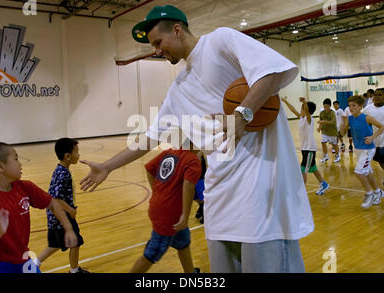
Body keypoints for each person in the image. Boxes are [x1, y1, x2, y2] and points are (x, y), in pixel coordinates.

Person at [81, 5, 314, 273]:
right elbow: (149, 138)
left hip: (260, 195)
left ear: (177, 30)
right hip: (220, 200)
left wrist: (242, 115)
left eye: (158, 42)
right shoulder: (179, 88)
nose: (156, 50)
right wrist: (108, 166)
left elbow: (273, 70)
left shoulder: (221, 41)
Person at [0, 142, 77, 273]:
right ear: (0, 166)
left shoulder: (25, 187)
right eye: (15, 159)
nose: (20, 163)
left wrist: (69, 228)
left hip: (23, 258)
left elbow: (52, 203)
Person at [129, 146, 201, 273]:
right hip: (170, 215)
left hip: (161, 209)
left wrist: (157, 193)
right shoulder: (192, 160)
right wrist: (185, 215)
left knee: (183, 241)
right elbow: (188, 186)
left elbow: (149, 169)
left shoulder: (170, 152)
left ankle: (190, 272)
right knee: (153, 251)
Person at [34, 138, 89, 273]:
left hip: (55, 216)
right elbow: (55, 198)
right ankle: (74, 271)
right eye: (77, 152)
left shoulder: (61, 170)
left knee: (54, 244)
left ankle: (33, 264)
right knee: (76, 243)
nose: (79, 154)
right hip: (61, 216)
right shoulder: (63, 174)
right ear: (67, 156)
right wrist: (70, 210)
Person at [340, 96, 384, 208]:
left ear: (361, 106)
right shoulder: (350, 119)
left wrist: (372, 137)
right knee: (366, 172)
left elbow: (382, 127)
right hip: (358, 149)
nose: (351, 108)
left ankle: (369, 194)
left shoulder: (367, 118)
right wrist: (343, 124)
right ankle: (378, 192)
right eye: (349, 105)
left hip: (368, 149)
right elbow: (342, 133)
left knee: (359, 172)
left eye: (354, 105)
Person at [282, 97, 329, 195]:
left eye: (302, 108)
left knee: (303, 169)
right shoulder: (302, 118)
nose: (300, 110)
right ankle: (323, 183)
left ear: (306, 110)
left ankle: (301, 191)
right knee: (313, 168)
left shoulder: (309, 119)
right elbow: (293, 109)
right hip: (305, 148)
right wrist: (285, 101)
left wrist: (305, 102)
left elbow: (307, 112)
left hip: (309, 149)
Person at [317, 98, 340, 163]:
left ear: (330, 106)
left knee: (334, 144)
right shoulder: (322, 113)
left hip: (332, 132)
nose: (326, 108)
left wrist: (324, 121)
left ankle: (337, 155)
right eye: (324, 106)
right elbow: (321, 121)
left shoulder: (332, 113)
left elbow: (332, 122)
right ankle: (326, 156)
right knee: (323, 142)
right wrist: (319, 127)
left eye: (327, 106)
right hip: (324, 131)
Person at [194, 152, 206, 224]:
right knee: (193, 196)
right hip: (192, 177)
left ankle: (206, 214)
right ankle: (201, 206)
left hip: (200, 177)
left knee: (202, 197)